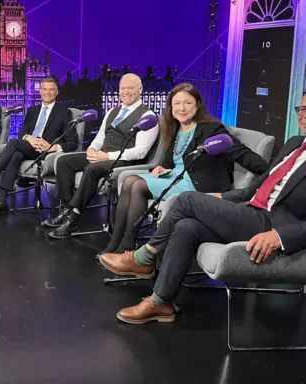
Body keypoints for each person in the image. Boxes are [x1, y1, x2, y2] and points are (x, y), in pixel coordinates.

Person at [98, 93, 306, 325]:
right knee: (187, 227)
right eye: (302, 108)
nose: (303, 115)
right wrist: (219, 197)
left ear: (197, 105)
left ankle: (144, 256)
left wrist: (280, 236)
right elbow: (255, 189)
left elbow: (245, 158)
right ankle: (161, 302)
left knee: (186, 200)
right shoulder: (295, 143)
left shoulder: (211, 128)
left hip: (273, 225)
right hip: (250, 209)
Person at [101, 83, 270, 256]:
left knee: (137, 185)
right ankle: (115, 242)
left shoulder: (212, 129)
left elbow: (243, 155)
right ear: (171, 107)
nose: (182, 108)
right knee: (130, 181)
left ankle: (126, 247)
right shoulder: (175, 129)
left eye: (188, 103)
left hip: (198, 186)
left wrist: (269, 176)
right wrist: (162, 168)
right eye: (177, 103)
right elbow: (171, 162)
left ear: (197, 106)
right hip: (177, 177)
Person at [43, 73, 159, 239]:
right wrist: (91, 148)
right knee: (63, 161)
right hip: (102, 154)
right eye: (122, 88)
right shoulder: (113, 110)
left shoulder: (148, 116)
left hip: (125, 161)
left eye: (130, 88)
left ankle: (73, 219)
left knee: (92, 169)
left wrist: (107, 156)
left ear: (140, 90)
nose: (125, 92)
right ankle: (67, 209)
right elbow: (100, 137)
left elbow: (141, 151)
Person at [0, 77, 78, 218]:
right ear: (40, 91)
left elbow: (73, 142)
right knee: (16, 155)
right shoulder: (32, 110)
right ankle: (1, 202)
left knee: (13, 143)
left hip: (46, 152)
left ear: (56, 92)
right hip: (28, 147)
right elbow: (22, 133)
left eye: (51, 89)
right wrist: (28, 138)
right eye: (44, 89)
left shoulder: (64, 112)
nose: (47, 92)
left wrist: (52, 147)